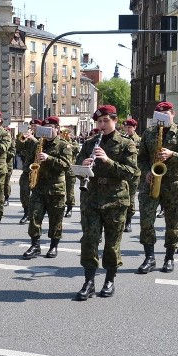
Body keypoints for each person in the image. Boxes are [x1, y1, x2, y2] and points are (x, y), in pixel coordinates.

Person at [73, 105, 138, 301]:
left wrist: (108, 161)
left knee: (112, 243)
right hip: (92, 198)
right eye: (99, 121)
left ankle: (109, 280)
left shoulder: (126, 144)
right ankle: (89, 281)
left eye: (106, 121)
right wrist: (83, 166)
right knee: (89, 241)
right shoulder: (90, 143)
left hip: (115, 199)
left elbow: (132, 173)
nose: (102, 125)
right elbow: (76, 168)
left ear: (114, 121)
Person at [136, 101, 178, 274]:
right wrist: (146, 171)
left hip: (174, 185)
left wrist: (172, 154)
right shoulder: (148, 133)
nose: (163, 116)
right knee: (146, 221)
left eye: (166, 113)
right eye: (159, 114)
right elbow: (140, 158)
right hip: (151, 183)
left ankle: (169, 257)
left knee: (174, 223)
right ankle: (149, 257)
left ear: (173, 114)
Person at [22, 116, 72, 260]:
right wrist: (29, 171)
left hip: (55, 188)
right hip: (38, 187)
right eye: (46, 126)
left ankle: (53, 246)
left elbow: (67, 165)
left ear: (57, 128)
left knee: (55, 219)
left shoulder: (64, 144)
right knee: (34, 216)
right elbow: (29, 161)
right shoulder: (39, 143)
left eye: (51, 126)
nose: (48, 129)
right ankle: (35, 245)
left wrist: (48, 158)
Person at [17, 119, 41, 224]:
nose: (33, 128)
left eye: (35, 126)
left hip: (40, 171)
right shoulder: (28, 138)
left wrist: (34, 140)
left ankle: (36, 214)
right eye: (32, 126)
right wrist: (22, 140)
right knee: (24, 192)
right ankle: (26, 212)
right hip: (27, 169)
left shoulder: (43, 137)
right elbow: (18, 149)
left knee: (37, 194)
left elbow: (41, 149)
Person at [122, 118, 142, 232]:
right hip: (123, 172)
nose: (127, 129)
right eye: (126, 127)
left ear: (134, 128)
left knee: (130, 198)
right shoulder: (122, 139)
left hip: (134, 174)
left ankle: (128, 221)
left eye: (130, 127)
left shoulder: (139, 141)